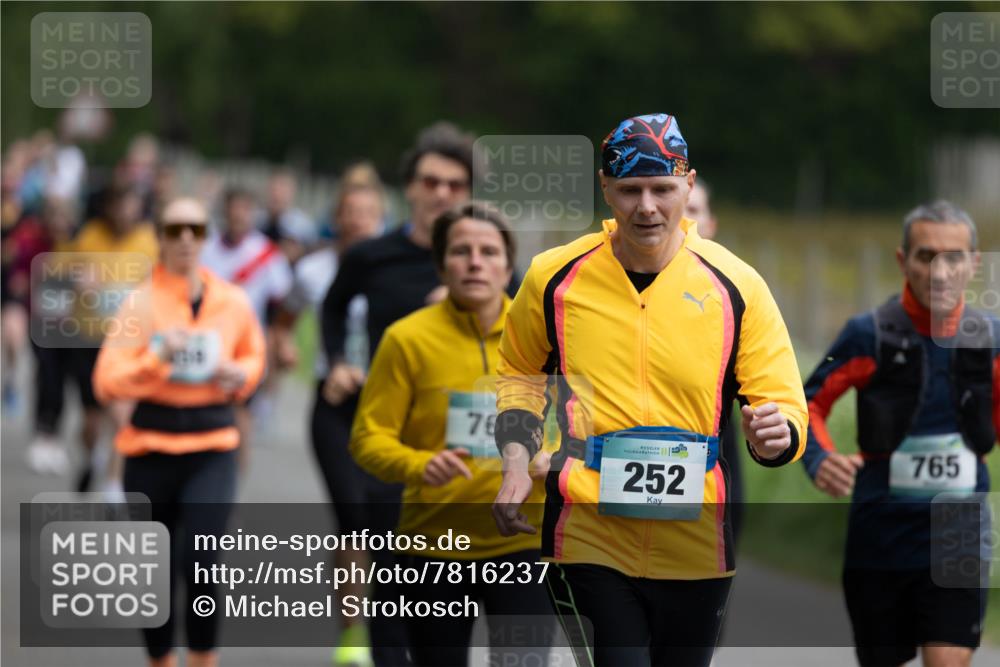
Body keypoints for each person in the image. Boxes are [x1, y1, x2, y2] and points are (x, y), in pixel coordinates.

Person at [491, 113, 809, 667]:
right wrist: (516, 462)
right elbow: (519, 375)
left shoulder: (738, 287)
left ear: (688, 185)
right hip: (586, 527)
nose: (647, 207)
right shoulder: (552, 278)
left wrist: (776, 434)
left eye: (662, 188)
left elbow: (781, 402)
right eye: (630, 189)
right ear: (605, 187)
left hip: (697, 544)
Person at [351, 203, 553, 667]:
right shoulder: (406, 339)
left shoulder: (547, 339)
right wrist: (420, 464)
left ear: (508, 265)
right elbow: (367, 437)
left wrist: (556, 456)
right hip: (433, 548)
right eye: (461, 251)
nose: (475, 262)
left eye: (489, 251)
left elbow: (581, 422)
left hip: (524, 545)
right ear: (442, 265)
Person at [800, 200, 998, 667]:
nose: (940, 271)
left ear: (973, 264)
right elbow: (807, 404)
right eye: (926, 256)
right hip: (881, 531)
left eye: (954, 258)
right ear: (902, 260)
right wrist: (819, 458)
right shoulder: (867, 334)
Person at [320, 121, 477, 667]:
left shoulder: (484, 260)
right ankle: (367, 640)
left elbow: (525, 337)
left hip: (452, 435)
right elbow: (334, 306)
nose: (441, 193)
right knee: (383, 560)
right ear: (409, 186)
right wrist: (338, 360)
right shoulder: (373, 255)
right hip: (377, 425)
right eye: (430, 181)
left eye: (455, 185)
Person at [92, 197, 266, 667]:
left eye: (195, 229)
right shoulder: (139, 303)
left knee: (203, 560)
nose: (185, 239)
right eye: (174, 230)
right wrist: (157, 359)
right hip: (149, 449)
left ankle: (203, 660)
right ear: (160, 237)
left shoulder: (233, 301)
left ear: (206, 236)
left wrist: (241, 375)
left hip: (212, 446)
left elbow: (254, 356)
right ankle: (162, 661)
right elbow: (106, 380)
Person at [280, 167, 385, 667]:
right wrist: (282, 346)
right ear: (337, 218)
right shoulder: (314, 270)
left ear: (382, 219)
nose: (360, 222)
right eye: (351, 213)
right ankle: (352, 632)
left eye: (369, 214)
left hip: (391, 408)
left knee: (388, 524)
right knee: (353, 519)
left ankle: (390, 623)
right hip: (335, 406)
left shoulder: (400, 270)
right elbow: (285, 317)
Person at [61, 184, 159, 491]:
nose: (124, 212)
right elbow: (59, 270)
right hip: (88, 336)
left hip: (126, 342)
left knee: (121, 413)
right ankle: (93, 457)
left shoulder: (149, 241)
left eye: (130, 205)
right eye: (119, 204)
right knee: (90, 420)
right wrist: (77, 280)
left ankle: (114, 485)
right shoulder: (90, 235)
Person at [200, 187, 294, 454]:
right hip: (208, 341)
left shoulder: (266, 254)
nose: (239, 216)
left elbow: (282, 303)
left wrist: (277, 341)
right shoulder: (206, 248)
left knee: (241, 413)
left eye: (245, 210)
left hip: (246, 345)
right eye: (234, 209)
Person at [684, 179, 744, 542]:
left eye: (693, 211)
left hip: (716, 446)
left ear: (710, 225)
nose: (682, 220)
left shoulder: (736, 291)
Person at [259, 169, 318, 264]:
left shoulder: (303, 226)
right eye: (273, 189)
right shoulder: (258, 221)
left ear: (291, 193)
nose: (277, 195)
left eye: (282, 190)